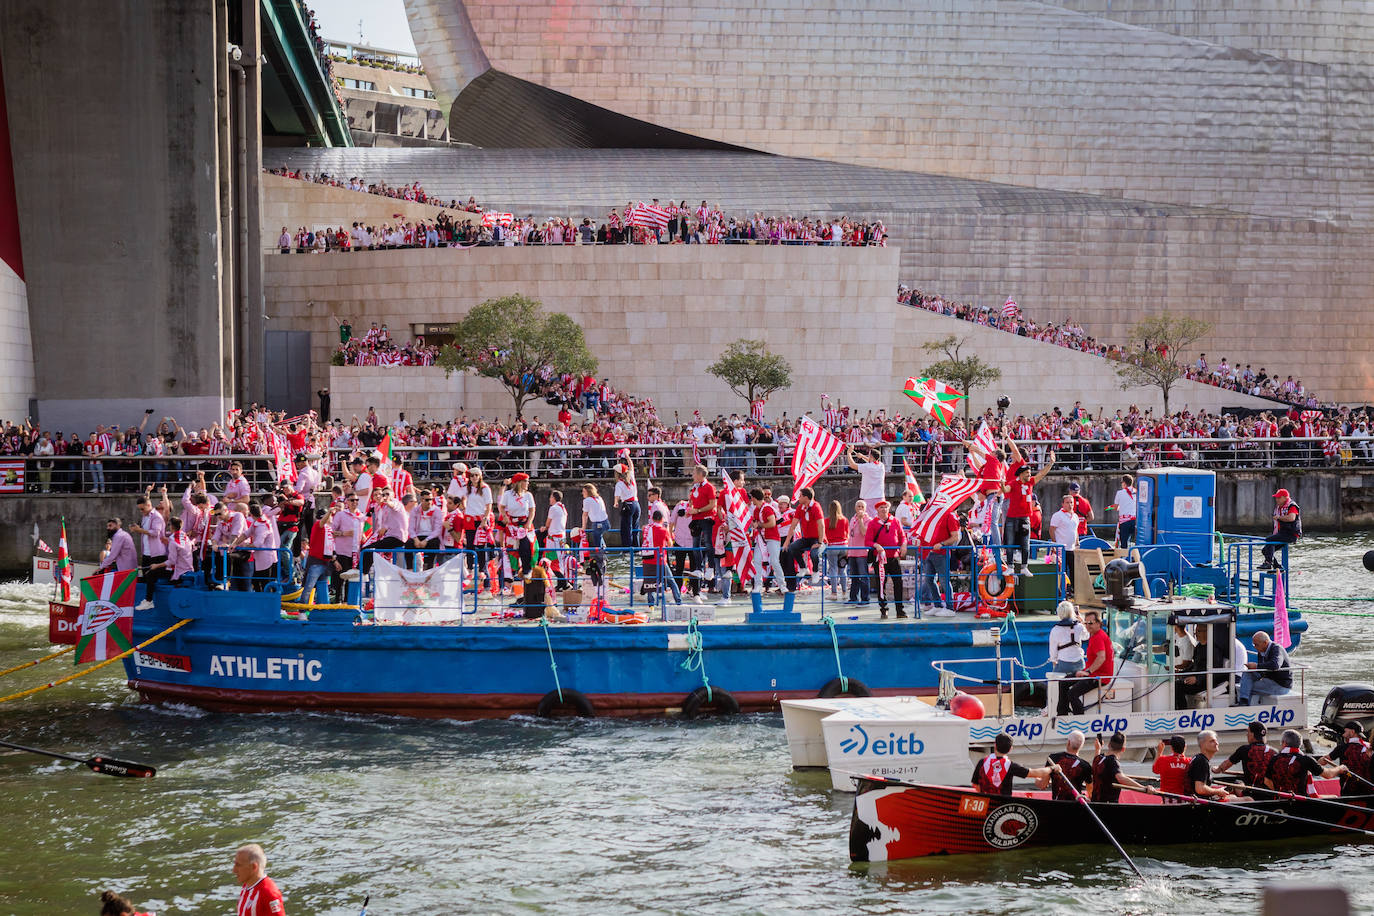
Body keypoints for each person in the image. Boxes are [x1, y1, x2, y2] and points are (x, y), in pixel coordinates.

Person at [1002, 437, 1055, 574]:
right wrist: (1002, 485)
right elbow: (1005, 490)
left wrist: (1050, 463)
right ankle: (1010, 566)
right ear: (1021, 474)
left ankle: (1024, 566)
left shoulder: (1030, 482)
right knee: (1010, 542)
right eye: (1027, 473)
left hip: (1025, 517)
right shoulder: (1014, 483)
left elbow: (1042, 474)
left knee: (1026, 543)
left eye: (1030, 473)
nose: (1029, 474)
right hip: (1012, 517)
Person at [1060, 610, 1112, 715]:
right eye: (1086, 623)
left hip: (1100, 676)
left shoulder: (1098, 637)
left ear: (1099, 623)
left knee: (1072, 693)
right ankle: (1062, 713)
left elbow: (1101, 657)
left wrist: (1088, 672)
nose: (1088, 626)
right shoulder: (1094, 635)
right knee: (1063, 682)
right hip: (1092, 673)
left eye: (1091, 623)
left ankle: (1080, 719)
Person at [1268, 728, 1343, 797]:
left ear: (1284, 743)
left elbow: (1267, 781)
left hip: (1280, 800)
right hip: (1302, 802)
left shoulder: (1274, 759)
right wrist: (1340, 768)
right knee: (1334, 797)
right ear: (1300, 744)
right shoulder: (1306, 760)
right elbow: (1328, 775)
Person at [864, 499, 908, 619]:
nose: (884, 509)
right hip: (880, 559)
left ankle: (900, 610)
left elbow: (902, 536)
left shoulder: (895, 521)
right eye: (881, 507)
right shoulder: (873, 523)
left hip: (894, 557)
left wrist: (903, 545)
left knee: (898, 583)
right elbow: (867, 541)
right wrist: (876, 545)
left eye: (886, 507)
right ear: (877, 510)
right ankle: (884, 609)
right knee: (881, 584)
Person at [971, 733, 1052, 795]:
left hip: (986, 803)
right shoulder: (1011, 766)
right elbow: (1034, 773)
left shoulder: (982, 762)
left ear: (995, 746)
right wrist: (1051, 768)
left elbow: (975, 784)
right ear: (1010, 749)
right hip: (1004, 806)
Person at [1174, 621, 1230, 708]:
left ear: (1206, 632)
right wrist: (1181, 672)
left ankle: (1182, 711)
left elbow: (1214, 670)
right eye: (1196, 631)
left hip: (1206, 681)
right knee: (1175, 683)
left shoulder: (1214, 649)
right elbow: (1194, 665)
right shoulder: (1199, 647)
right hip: (1197, 678)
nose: (1196, 634)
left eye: (1199, 631)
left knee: (1178, 687)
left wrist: (1197, 679)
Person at [781, 486, 824, 592]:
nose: (798, 498)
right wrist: (786, 542)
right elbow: (793, 525)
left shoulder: (816, 507)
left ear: (806, 497)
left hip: (817, 538)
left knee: (814, 553)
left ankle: (815, 571)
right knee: (792, 547)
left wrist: (820, 541)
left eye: (800, 496)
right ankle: (803, 567)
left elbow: (821, 525)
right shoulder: (800, 508)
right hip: (806, 538)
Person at [1090, 732, 1152, 802]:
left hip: (1094, 802)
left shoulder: (1098, 759)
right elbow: (1120, 778)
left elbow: (1096, 761)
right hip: (1108, 805)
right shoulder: (1112, 761)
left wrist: (1098, 749)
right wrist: (1144, 787)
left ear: (1109, 745)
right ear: (1123, 749)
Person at [129, 495, 168, 608]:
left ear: (149, 505)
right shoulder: (145, 517)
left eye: (142, 509)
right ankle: (147, 600)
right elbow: (146, 531)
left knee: (151, 576)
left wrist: (139, 530)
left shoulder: (157, 517)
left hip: (156, 554)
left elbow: (156, 533)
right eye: (139, 509)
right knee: (146, 577)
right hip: (146, 552)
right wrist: (138, 528)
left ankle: (149, 600)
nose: (141, 511)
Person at [1214, 721, 1276, 789]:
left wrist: (1216, 769)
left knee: (1237, 783)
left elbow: (1225, 765)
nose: (1246, 735)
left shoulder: (1244, 749)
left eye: (1248, 732)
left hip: (1251, 792)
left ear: (1252, 734)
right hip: (1271, 793)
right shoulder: (1274, 752)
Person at [1237, 631, 1292, 705]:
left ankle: (1244, 704)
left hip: (1280, 684)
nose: (1255, 647)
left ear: (1265, 642)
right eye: (1254, 645)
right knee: (1247, 674)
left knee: (1247, 687)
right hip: (1268, 679)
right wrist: (1253, 670)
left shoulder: (1276, 649)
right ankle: (1244, 702)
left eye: (1256, 645)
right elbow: (1263, 670)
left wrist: (1256, 666)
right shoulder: (1262, 650)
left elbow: (1275, 665)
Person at [500, 473, 537, 579]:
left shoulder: (528, 495)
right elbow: (502, 507)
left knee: (526, 546)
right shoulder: (508, 494)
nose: (527, 483)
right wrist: (504, 517)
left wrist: (529, 522)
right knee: (511, 548)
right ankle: (512, 572)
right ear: (519, 483)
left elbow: (532, 510)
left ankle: (527, 569)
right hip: (512, 523)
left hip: (524, 523)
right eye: (525, 481)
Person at [1319, 721, 1371, 796]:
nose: (1343, 735)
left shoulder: (1342, 747)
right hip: (1369, 791)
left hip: (1348, 791)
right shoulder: (1370, 747)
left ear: (1352, 732)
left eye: (1345, 732)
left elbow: (1322, 762)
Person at [1188, 730, 1242, 800]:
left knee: (1233, 796)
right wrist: (1218, 791)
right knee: (1248, 799)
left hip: (1203, 799)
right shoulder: (1201, 761)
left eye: (1216, 740)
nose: (1216, 743)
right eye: (1212, 741)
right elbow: (1200, 789)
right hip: (1202, 803)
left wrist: (1219, 791)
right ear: (1202, 744)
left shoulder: (1200, 759)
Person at [233, 843, 285, 915]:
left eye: (238, 865)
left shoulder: (269, 893)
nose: (234, 870)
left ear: (254, 867)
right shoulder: (246, 886)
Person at [1044, 730, 1092, 800]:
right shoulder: (1085, 765)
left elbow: (1043, 784)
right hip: (1075, 804)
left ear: (1068, 742)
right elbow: (1091, 791)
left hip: (1057, 803)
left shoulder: (1053, 758)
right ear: (1082, 745)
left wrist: (1036, 777)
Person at [1261, 488, 1301, 570]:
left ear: (1285, 497)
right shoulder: (1279, 507)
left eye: (1279, 498)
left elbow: (1291, 518)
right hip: (1283, 533)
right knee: (1265, 550)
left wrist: (1279, 518)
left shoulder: (1292, 505)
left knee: (1269, 540)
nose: (1277, 500)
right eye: (1276, 498)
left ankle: (1268, 563)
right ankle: (1277, 567)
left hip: (1291, 534)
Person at [1047, 600, 1087, 677]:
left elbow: (1053, 650)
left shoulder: (1055, 630)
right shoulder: (1079, 626)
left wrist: (1054, 661)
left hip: (1063, 663)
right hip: (1079, 662)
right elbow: (1086, 637)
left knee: (1055, 683)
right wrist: (1082, 621)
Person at [1048, 494, 1079, 587]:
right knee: (1062, 571)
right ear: (1062, 504)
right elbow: (1051, 529)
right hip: (1061, 549)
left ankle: (1073, 589)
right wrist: (1055, 544)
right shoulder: (1058, 515)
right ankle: (1061, 591)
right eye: (1067, 502)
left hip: (1072, 548)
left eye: (1071, 503)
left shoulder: (1075, 516)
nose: (1070, 505)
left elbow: (1075, 531)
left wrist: (1077, 543)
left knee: (1074, 570)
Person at [846, 446, 887, 514]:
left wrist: (849, 453)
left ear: (871, 456)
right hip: (880, 496)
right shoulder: (881, 465)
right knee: (880, 518)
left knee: (869, 520)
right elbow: (872, 461)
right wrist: (862, 456)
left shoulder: (867, 467)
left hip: (869, 497)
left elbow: (852, 465)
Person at [612, 458, 641, 551]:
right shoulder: (631, 477)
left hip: (628, 505)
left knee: (626, 528)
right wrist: (627, 456)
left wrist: (615, 503)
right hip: (636, 504)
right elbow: (631, 466)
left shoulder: (619, 484)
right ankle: (636, 548)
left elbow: (617, 495)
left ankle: (627, 549)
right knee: (635, 527)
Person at [1105, 474, 1137, 547]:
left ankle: (1124, 557)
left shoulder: (1119, 493)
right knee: (1136, 541)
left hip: (1124, 521)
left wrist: (1112, 507)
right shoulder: (1137, 492)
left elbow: (1116, 507)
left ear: (1124, 483)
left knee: (1124, 542)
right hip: (1135, 520)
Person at [581, 483, 611, 552]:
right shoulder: (599, 498)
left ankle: (601, 556)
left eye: (584, 491)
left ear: (588, 492)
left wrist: (583, 528)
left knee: (597, 542)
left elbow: (585, 515)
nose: (582, 493)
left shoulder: (587, 500)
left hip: (597, 524)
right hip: (606, 522)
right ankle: (604, 551)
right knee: (600, 537)